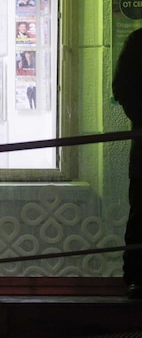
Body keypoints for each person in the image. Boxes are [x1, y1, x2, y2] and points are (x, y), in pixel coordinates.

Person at [112, 27, 142, 298]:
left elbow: (122, 88)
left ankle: (135, 278)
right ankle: (135, 277)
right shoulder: (137, 41)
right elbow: (121, 88)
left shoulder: (137, 40)